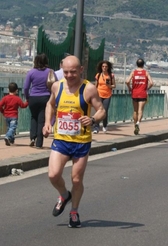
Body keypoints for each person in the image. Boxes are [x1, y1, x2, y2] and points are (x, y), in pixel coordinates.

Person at [42, 55, 106, 228]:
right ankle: (64, 195)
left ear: (81, 70)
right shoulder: (57, 86)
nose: (69, 75)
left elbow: (101, 110)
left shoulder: (89, 89)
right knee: (53, 175)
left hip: (81, 141)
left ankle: (74, 212)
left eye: (73, 72)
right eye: (66, 72)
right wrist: (48, 123)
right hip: (61, 139)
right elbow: (51, 105)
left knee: (76, 180)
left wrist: (92, 120)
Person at [23, 53, 53, 148]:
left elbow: (26, 87)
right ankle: (39, 143)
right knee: (41, 120)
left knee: (33, 117)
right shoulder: (50, 72)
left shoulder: (31, 72)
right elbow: (55, 85)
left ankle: (32, 137)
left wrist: (28, 97)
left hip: (33, 97)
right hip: (46, 97)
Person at [126, 58, 153, 135]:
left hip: (134, 93)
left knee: (135, 111)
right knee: (140, 110)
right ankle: (138, 123)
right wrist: (147, 89)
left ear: (136, 64)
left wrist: (130, 88)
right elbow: (151, 83)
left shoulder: (133, 72)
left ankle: (135, 126)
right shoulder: (146, 73)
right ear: (143, 64)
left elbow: (127, 81)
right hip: (142, 93)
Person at [93, 60, 116, 133]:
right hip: (99, 95)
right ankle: (96, 127)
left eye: (106, 66)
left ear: (108, 67)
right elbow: (95, 85)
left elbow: (114, 85)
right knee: (98, 111)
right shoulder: (98, 75)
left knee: (104, 111)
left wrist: (109, 86)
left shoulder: (111, 75)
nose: (104, 68)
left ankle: (105, 125)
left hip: (107, 95)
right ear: (101, 67)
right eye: (103, 66)